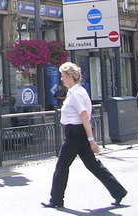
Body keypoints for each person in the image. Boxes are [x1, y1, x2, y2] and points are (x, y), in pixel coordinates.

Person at [42, 62, 127, 209]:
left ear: (71, 77)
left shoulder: (76, 94)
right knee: (93, 165)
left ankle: (56, 199)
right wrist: (88, 139)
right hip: (78, 133)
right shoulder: (77, 91)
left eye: (63, 75)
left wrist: (91, 140)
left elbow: (84, 116)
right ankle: (118, 191)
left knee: (62, 166)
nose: (61, 79)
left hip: (75, 134)